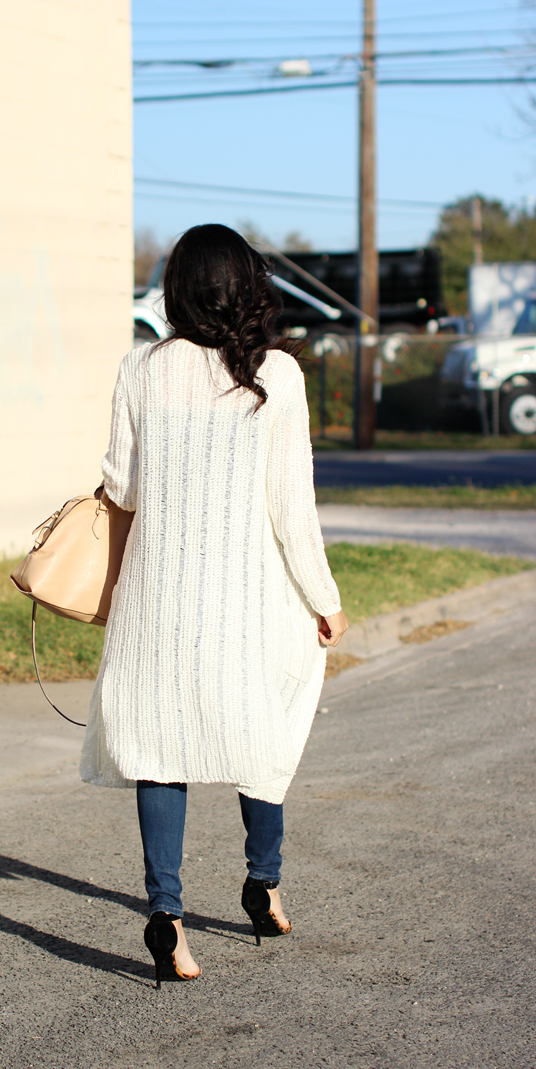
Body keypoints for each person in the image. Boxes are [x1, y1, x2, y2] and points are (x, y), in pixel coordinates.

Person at [80, 224, 348, 987]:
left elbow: (123, 490)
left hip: (158, 598)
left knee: (159, 752)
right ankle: (263, 885)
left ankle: (167, 916)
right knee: (263, 733)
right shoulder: (280, 377)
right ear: (249, 286)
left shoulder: (141, 368)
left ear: (176, 291)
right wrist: (324, 600)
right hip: (247, 603)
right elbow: (293, 512)